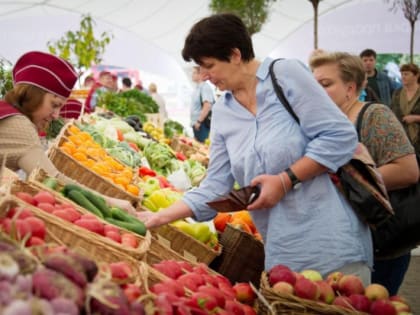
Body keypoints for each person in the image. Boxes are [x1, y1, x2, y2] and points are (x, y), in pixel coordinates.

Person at [137, 13, 374, 283]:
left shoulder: (285, 75)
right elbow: (215, 185)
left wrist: (285, 180)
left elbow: (339, 136)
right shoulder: (223, 112)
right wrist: (158, 217)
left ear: (235, 54)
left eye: (209, 66)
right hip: (282, 254)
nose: (203, 76)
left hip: (333, 245)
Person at [310, 51, 419, 295]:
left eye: (325, 84)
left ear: (350, 87)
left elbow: (408, 171)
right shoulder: (326, 122)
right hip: (345, 240)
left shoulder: (374, 115)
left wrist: (347, 183)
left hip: (381, 239)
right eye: (313, 84)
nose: (315, 91)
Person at [0, 51, 135, 212]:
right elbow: (51, 180)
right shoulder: (18, 124)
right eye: (54, 104)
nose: (56, 115)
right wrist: (112, 203)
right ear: (33, 95)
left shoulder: (9, 114)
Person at [390, 63, 420, 159]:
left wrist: (416, 118)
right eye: (402, 74)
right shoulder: (397, 93)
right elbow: (392, 112)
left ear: (416, 75)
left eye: (406, 74)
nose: (403, 77)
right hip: (401, 138)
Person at [190, 66, 214, 143]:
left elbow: (207, 105)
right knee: (198, 148)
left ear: (200, 74)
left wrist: (199, 121)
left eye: (194, 73)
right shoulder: (197, 88)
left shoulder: (205, 87)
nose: (192, 75)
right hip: (196, 123)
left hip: (201, 124)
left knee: (204, 147)